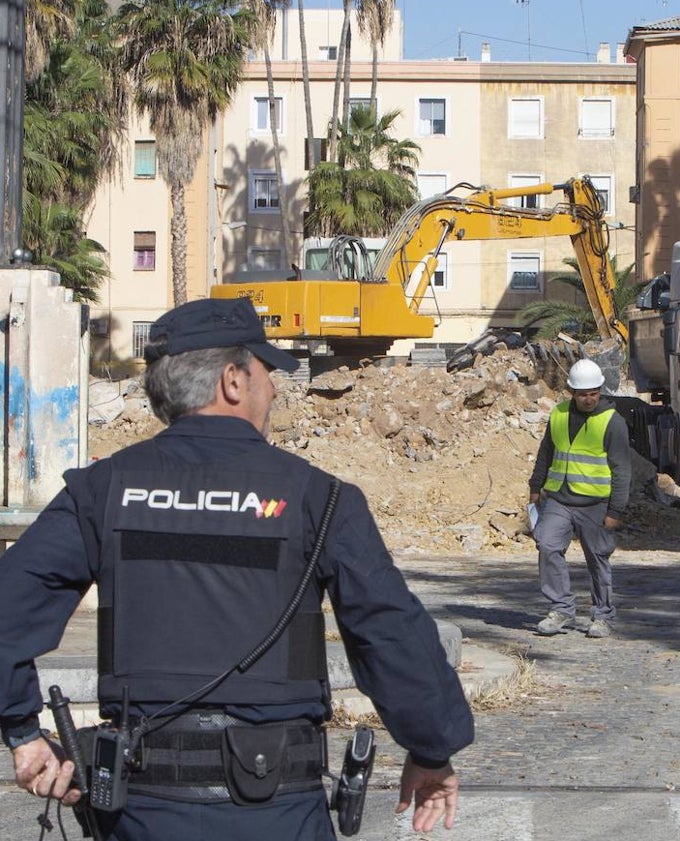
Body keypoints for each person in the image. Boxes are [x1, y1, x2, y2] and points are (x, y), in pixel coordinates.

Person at [0, 297, 474, 841]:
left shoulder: (101, 491)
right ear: (232, 380)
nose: (272, 389)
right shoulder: (318, 497)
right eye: (266, 371)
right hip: (275, 809)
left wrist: (22, 733)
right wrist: (431, 748)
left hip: (141, 812)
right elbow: (389, 630)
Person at [528, 358, 631, 639]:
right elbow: (546, 453)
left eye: (594, 393)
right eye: (583, 394)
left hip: (596, 504)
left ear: (600, 390)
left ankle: (602, 616)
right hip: (559, 499)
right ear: (572, 392)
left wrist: (615, 511)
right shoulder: (559, 414)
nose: (589, 399)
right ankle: (561, 608)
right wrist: (536, 487)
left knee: (597, 559)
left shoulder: (613, 422)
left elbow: (622, 469)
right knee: (547, 544)